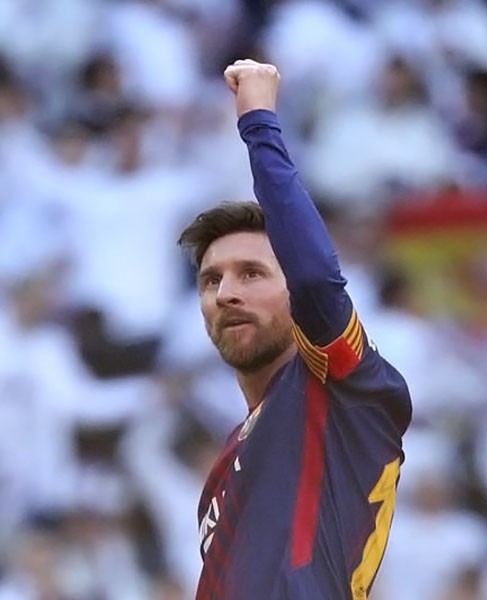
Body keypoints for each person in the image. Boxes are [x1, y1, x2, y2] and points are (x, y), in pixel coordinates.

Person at [176, 59, 412, 600]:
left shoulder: (348, 386)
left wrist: (259, 121)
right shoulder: (227, 465)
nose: (226, 292)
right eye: (211, 280)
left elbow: (315, 279)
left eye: (252, 273)